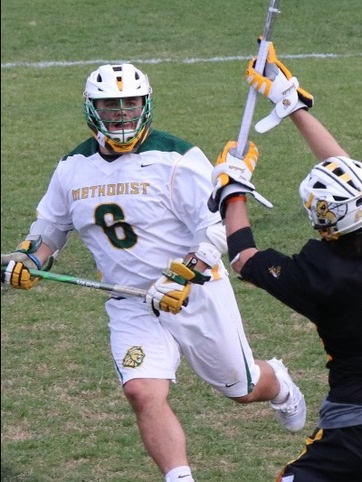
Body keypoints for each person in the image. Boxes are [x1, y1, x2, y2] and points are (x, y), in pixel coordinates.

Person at [1, 63, 306, 482]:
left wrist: (184, 275)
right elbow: (51, 226)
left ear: (145, 105)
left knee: (242, 388)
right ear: (91, 108)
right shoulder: (73, 165)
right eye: (110, 105)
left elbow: (216, 227)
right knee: (142, 391)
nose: (121, 113)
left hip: (194, 292)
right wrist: (32, 257)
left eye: (130, 103)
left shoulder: (177, 157)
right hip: (130, 301)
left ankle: (280, 384)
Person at [208, 42, 362, 481]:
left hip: (354, 434)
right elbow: (343, 166)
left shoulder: (321, 272)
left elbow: (245, 256)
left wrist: (232, 191)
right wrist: (294, 106)